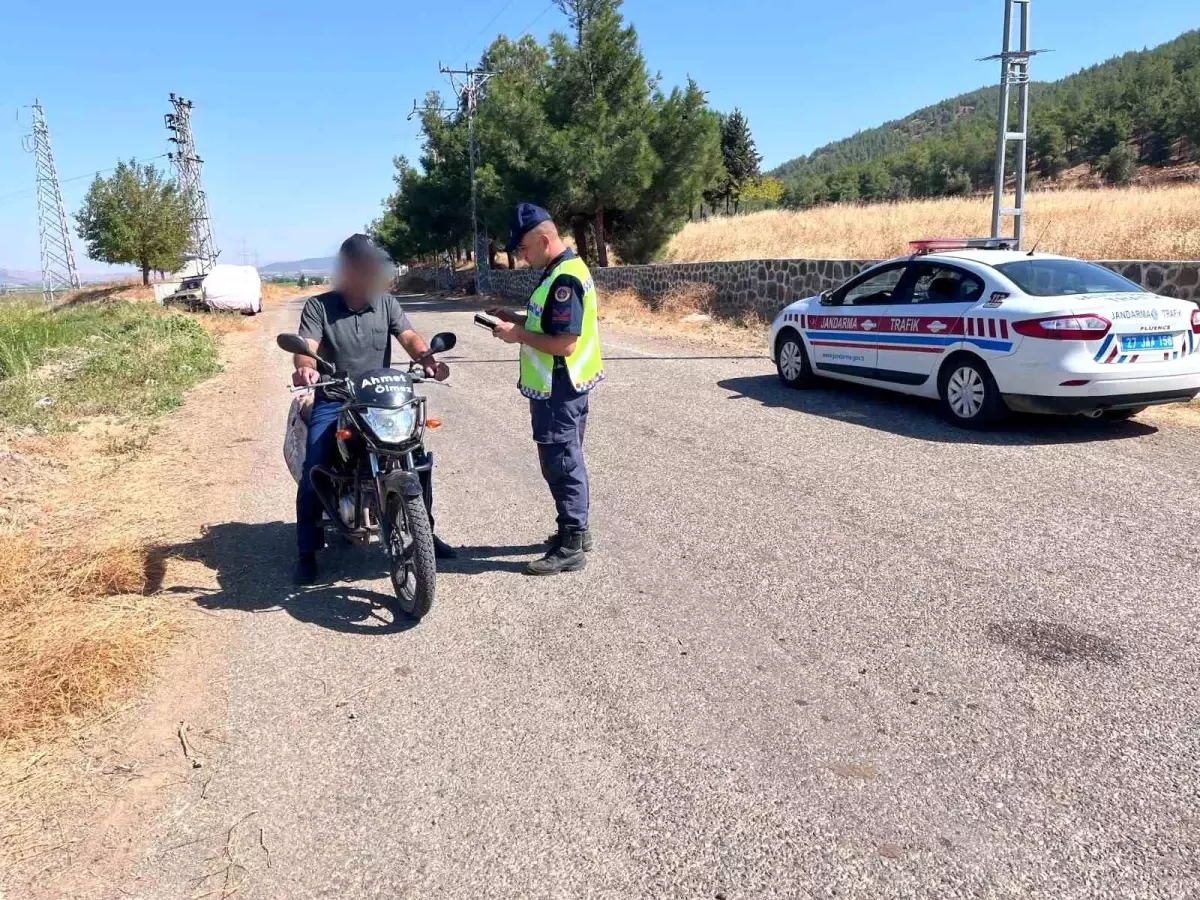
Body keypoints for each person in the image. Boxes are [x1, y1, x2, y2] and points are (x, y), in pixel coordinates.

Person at [292, 234, 454, 585]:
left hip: (379, 398)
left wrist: (426, 358)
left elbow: (408, 336)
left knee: (418, 460)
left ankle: (424, 533)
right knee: (315, 467)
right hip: (336, 398)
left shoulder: (385, 303)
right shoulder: (319, 307)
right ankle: (307, 550)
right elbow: (307, 346)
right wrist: (306, 366)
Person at [487, 203, 604, 576]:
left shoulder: (564, 279)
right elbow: (549, 322)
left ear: (543, 239)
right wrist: (517, 319)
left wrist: (517, 335)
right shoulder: (562, 270)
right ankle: (576, 531)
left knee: (561, 462)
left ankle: (571, 543)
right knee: (567, 458)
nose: (521, 257)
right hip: (567, 385)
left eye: (522, 249)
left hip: (558, 388)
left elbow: (565, 343)